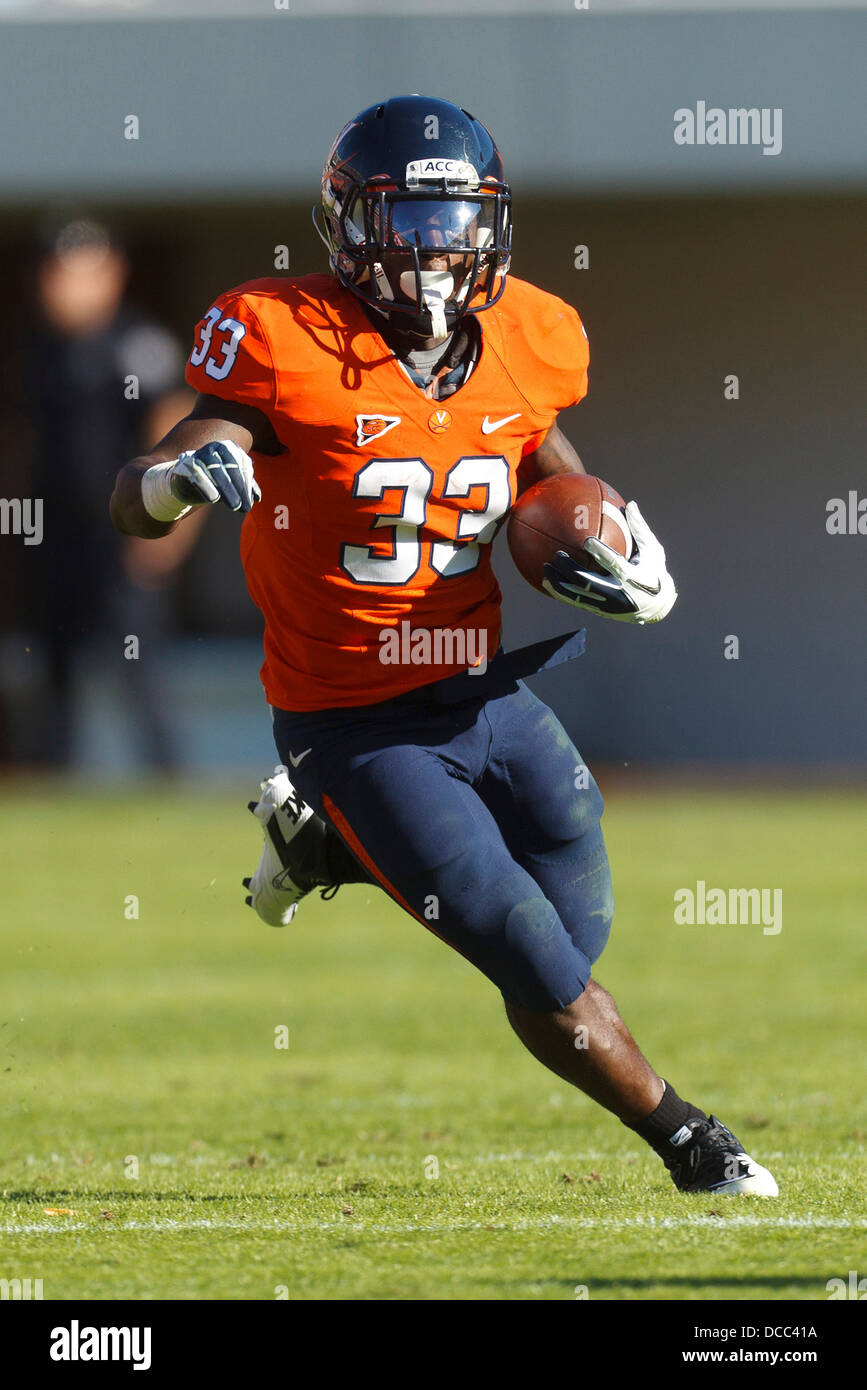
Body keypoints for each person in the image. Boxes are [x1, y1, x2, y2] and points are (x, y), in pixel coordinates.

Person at [110, 96, 777, 1195]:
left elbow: (546, 476)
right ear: (351, 225)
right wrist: (178, 479)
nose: (436, 243)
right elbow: (134, 498)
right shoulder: (283, 338)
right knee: (530, 957)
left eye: (457, 214)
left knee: (576, 926)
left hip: (479, 689)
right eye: (409, 213)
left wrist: (614, 545)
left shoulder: (533, 335)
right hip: (351, 714)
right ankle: (698, 1148)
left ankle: (320, 845)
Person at [23, 215, 199, 768]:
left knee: (140, 671)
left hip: (127, 537)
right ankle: (50, 788)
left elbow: (180, 436)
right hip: (59, 540)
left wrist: (168, 534)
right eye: (55, 273)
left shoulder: (139, 346)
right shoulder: (42, 354)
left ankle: (168, 784)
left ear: (112, 274)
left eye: (78, 272)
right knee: (52, 674)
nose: (63, 286)